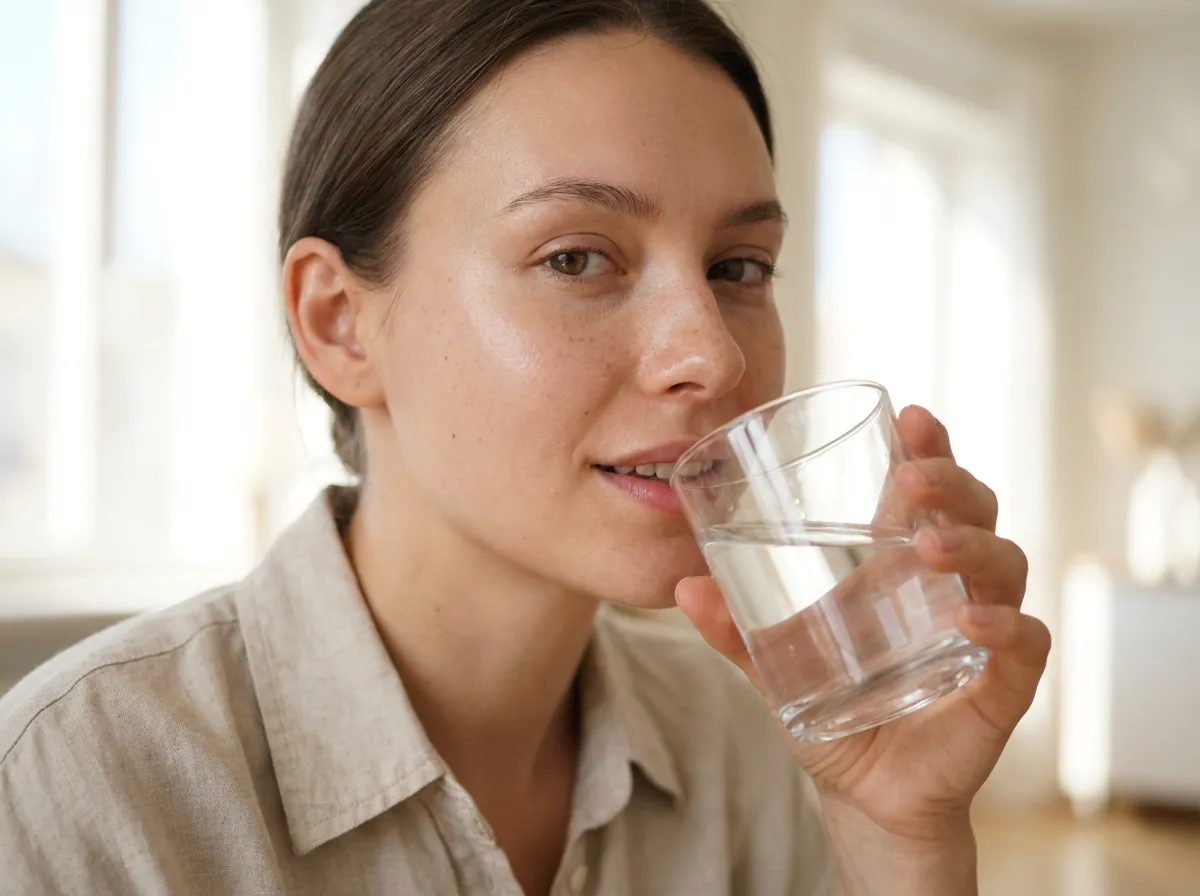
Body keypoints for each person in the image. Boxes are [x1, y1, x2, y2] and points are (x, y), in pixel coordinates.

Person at [0, 0, 1050, 893]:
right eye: (577, 257)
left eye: (738, 266)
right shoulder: (79, 790)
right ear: (340, 323)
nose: (712, 356)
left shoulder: (759, 753)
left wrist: (900, 839)